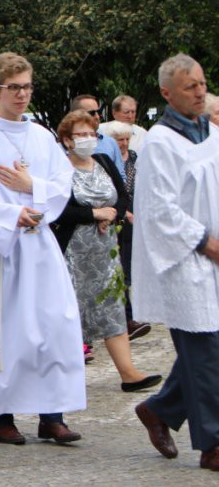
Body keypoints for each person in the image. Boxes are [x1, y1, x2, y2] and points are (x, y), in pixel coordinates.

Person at [0, 52, 85, 446]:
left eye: (28, 87)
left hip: (41, 245)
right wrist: (13, 215)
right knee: (5, 329)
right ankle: (1, 417)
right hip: (4, 250)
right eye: (15, 88)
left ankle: (52, 416)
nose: (23, 95)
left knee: (52, 327)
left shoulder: (42, 136)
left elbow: (64, 184)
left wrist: (33, 189)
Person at [131, 53, 219, 472]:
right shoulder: (160, 142)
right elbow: (158, 210)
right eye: (191, 86)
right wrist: (205, 242)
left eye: (202, 83)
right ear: (167, 93)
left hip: (216, 254)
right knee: (205, 351)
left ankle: (161, 410)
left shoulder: (210, 133)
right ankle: (213, 444)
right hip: (185, 258)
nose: (200, 92)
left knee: (210, 351)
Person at [52, 110, 160, 392]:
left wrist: (113, 215)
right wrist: (94, 214)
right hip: (73, 252)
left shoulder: (102, 161)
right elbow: (58, 210)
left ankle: (128, 373)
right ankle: (63, 376)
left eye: (92, 134)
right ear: (66, 139)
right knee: (71, 311)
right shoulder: (59, 169)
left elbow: (122, 195)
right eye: (80, 135)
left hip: (105, 249)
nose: (88, 140)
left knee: (112, 308)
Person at [100, 121, 151, 340]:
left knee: (127, 266)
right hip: (116, 215)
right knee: (117, 265)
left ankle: (129, 316)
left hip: (131, 213)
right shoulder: (107, 159)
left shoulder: (134, 158)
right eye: (119, 139)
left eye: (126, 139)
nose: (123, 143)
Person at [70, 94, 124, 179]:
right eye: (92, 113)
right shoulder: (64, 146)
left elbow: (121, 176)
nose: (97, 117)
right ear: (76, 115)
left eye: (98, 112)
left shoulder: (110, 143)